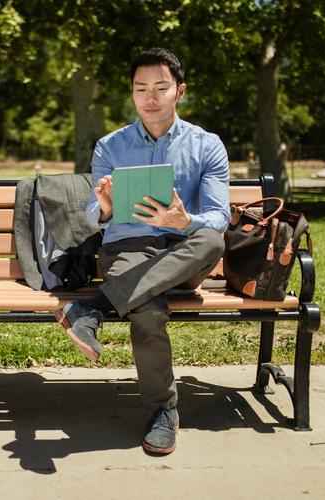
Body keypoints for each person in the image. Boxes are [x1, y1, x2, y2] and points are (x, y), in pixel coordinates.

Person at [54, 48, 230, 455]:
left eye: (161, 87)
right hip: (128, 249)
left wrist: (184, 222)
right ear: (132, 93)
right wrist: (107, 208)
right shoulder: (110, 146)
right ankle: (163, 413)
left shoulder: (207, 145)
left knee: (212, 239)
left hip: (183, 249)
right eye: (140, 88)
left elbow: (220, 217)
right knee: (148, 309)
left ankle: (93, 307)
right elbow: (92, 212)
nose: (150, 97)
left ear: (179, 91)